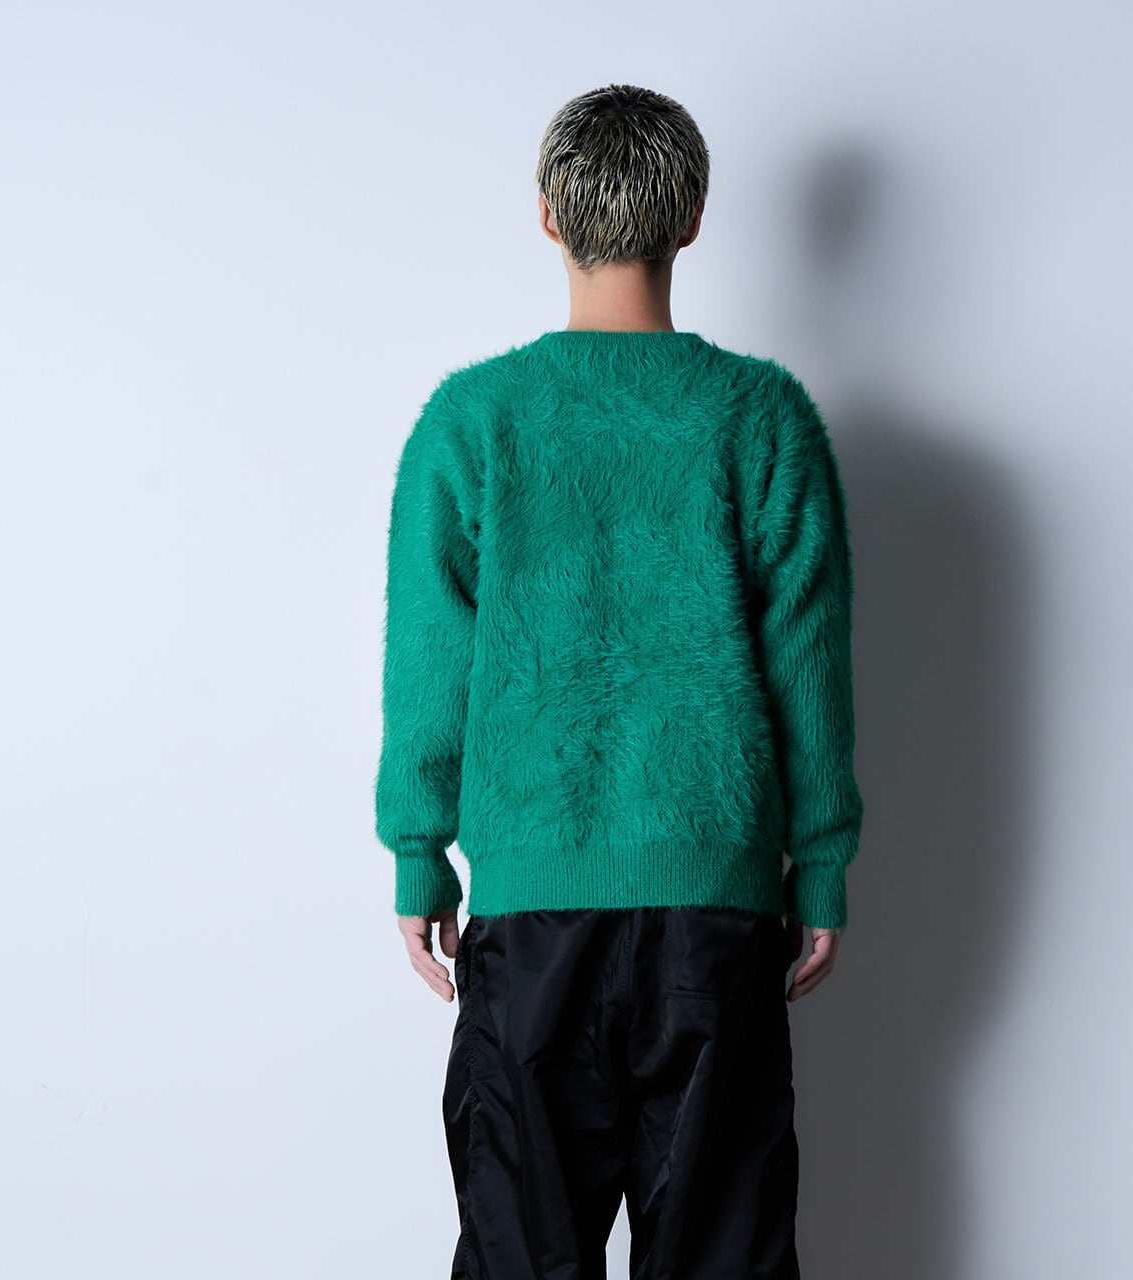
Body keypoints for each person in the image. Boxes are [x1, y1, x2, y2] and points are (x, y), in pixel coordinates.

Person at [374, 82, 865, 1280]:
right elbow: (808, 661)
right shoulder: (762, 420)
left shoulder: (472, 423)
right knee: (722, 1257)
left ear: (548, 216)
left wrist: (418, 852)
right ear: (690, 218)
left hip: (530, 922)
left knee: (518, 1255)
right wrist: (820, 862)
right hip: (715, 922)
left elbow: (429, 659)